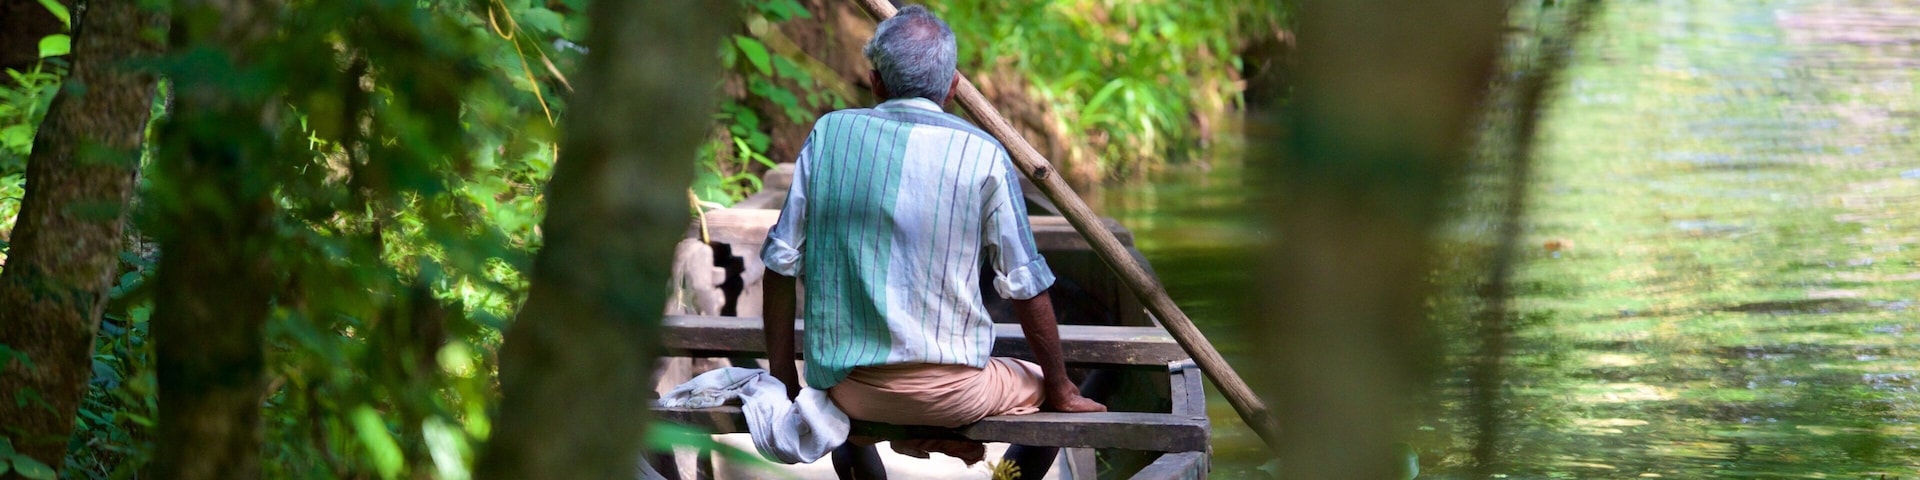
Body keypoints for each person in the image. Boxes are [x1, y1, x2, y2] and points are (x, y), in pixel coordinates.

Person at [758, 4, 1105, 477]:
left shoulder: (828, 134)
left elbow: (780, 265)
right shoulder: (983, 153)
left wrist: (785, 381)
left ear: (876, 82)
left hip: (847, 388)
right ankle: (958, 446)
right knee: (1043, 390)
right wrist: (1063, 390)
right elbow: (1025, 286)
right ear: (953, 87)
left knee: (838, 413)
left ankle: (911, 441)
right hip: (953, 396)